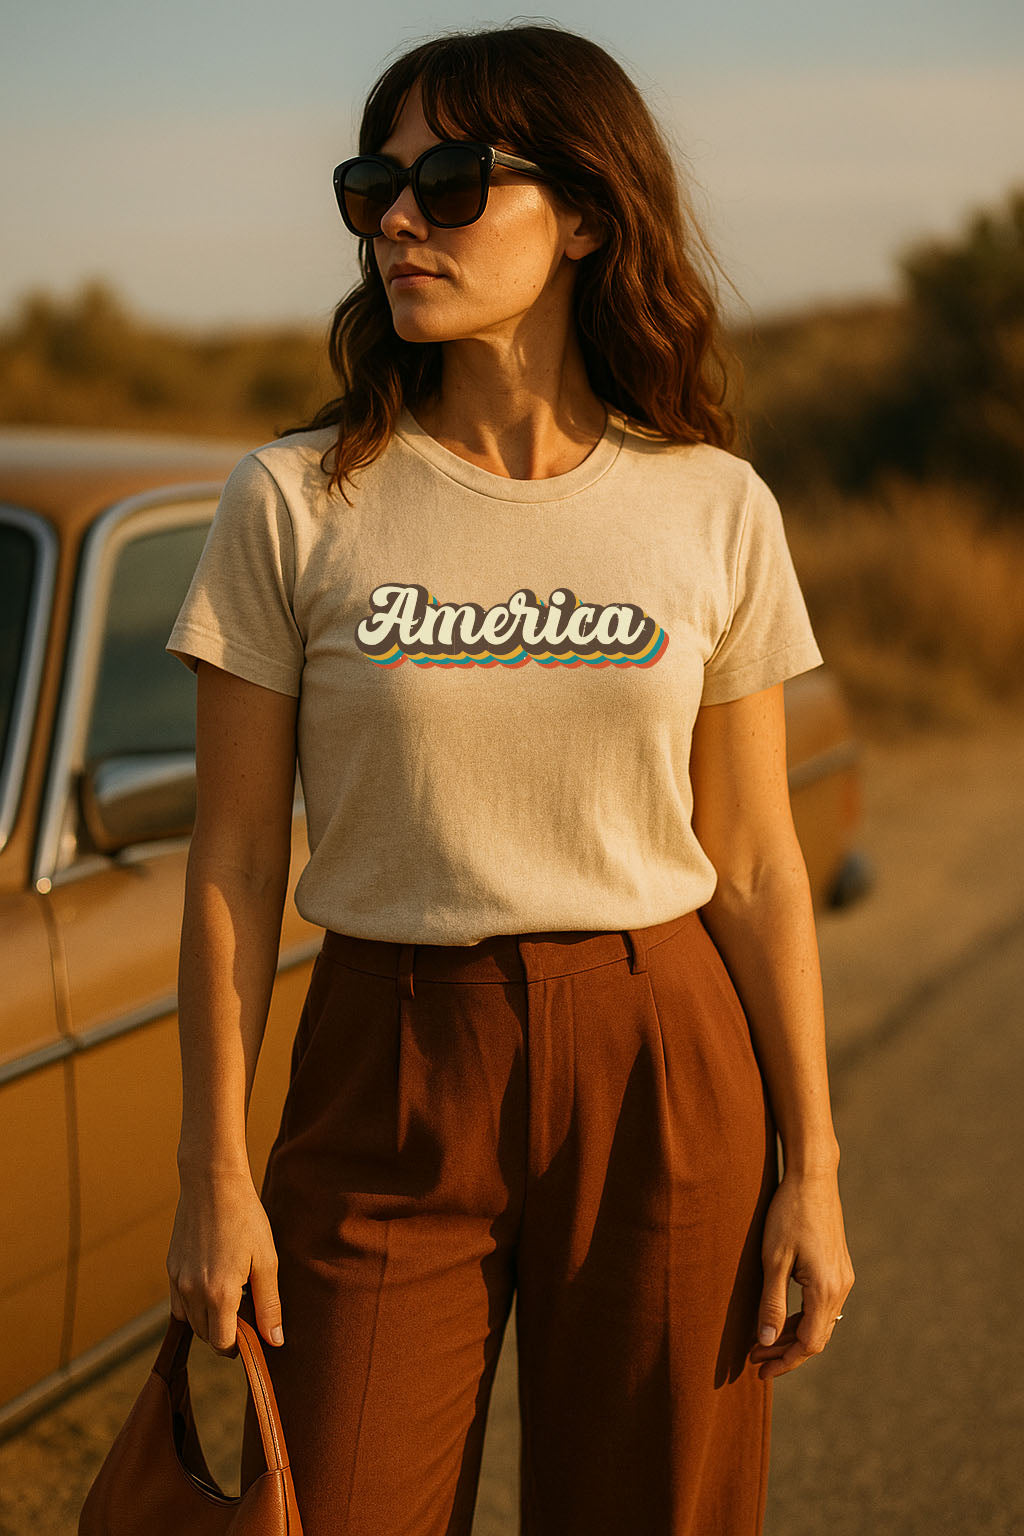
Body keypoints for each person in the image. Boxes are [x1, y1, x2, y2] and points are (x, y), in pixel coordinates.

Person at [164, 20, 855, 1536]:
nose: (401, 218)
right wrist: (215, 1171)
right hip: (388, 1061)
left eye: (455, 180)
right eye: (376, 184)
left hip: (662, 1058)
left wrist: (815, 1165)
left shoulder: (712, 504)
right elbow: (226, 868)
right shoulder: (292, 500)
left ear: (589, 213)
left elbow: (752, 861)